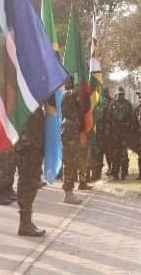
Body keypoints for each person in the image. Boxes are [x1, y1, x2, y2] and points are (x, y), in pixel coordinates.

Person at [15, 105, 46, 237]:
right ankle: (25, 223)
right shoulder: (27, 99)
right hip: (29, 145)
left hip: (29, 144)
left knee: (29, 182)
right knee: (28, 183)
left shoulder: (30, 98)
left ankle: (26, 221)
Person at [61, 76, 84, 205]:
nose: (71, 84)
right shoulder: (66, 95)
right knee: (69, 163)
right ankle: (68, 193)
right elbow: (75, 92)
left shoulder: (69, 95)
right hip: (69, 132)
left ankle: (69, 192)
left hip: (72, 132)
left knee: (71, 163)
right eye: (69, 82)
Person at [107, 87, 135, 180]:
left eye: (122, 94)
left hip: (124, 133)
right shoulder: (113, 103)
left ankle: (124, 172)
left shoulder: (128, 104)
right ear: (117, 94)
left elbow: (132, 118)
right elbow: (109, 117)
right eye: (119, 94)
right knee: (115, 154)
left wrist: (129, 130)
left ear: (124, 94)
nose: (120, 96)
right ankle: (115, 173)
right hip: (114, 133)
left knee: (123, 154)